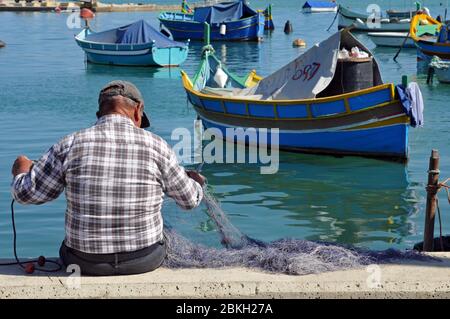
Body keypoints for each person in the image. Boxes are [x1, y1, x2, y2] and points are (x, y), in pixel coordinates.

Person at [11, 80, 205, 276]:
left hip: (83, 261)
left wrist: (21, 169)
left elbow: (26, 194)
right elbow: (189, 200)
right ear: (138, 110)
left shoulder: (69, 144)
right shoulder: (158, 146)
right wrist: (195, 182)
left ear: (100, 113)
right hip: (144, 260)